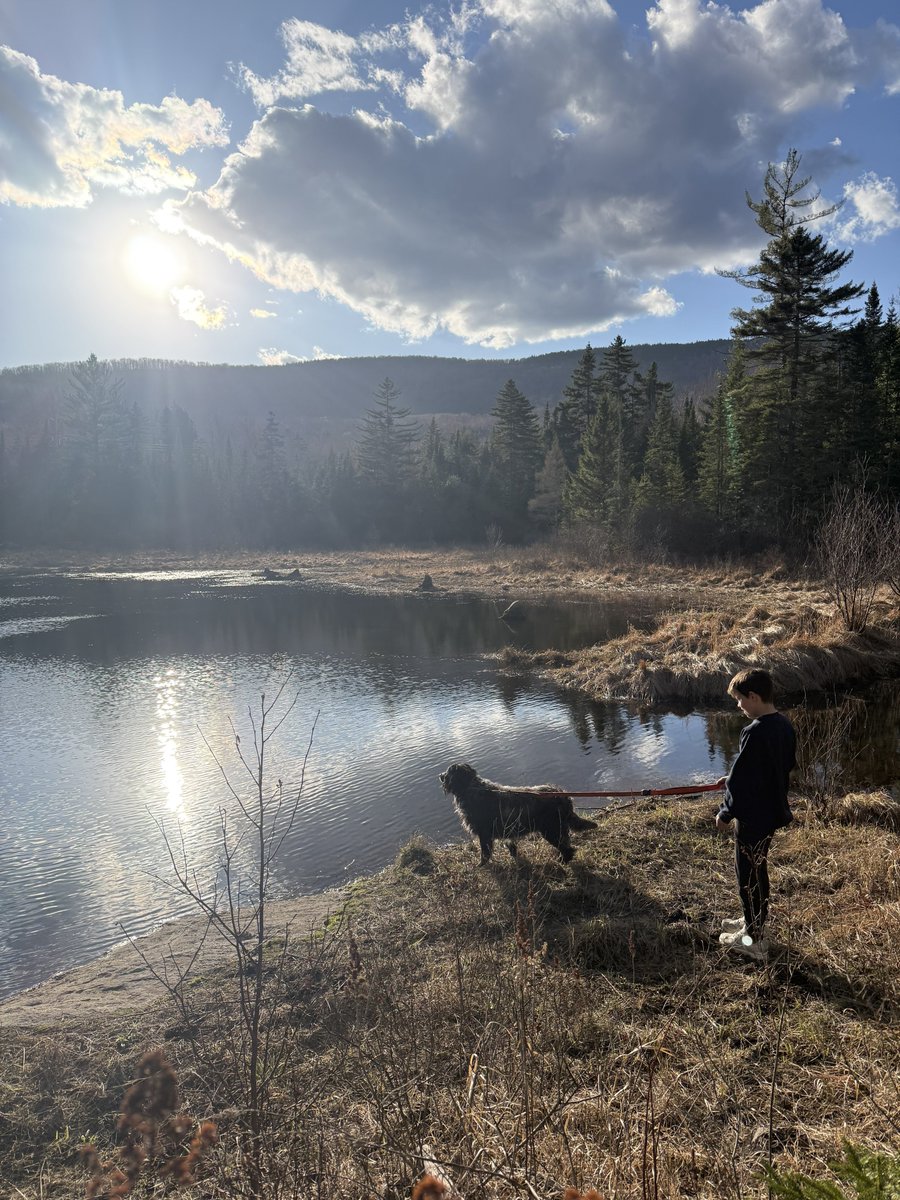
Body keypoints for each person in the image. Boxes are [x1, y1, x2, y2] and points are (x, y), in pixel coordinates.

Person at [714, 667, 796, 961]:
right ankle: (753, 921)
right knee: (758, 870)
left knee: (746, 875)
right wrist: (735, 777)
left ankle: (753, 939)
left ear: (754, 697)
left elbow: (740, 782)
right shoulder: (784, 725)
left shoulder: (754, 731)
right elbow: (778, 767)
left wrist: (725, 812)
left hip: (751, 818)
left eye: (740, 699)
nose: (739, 706)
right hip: (771, 813)